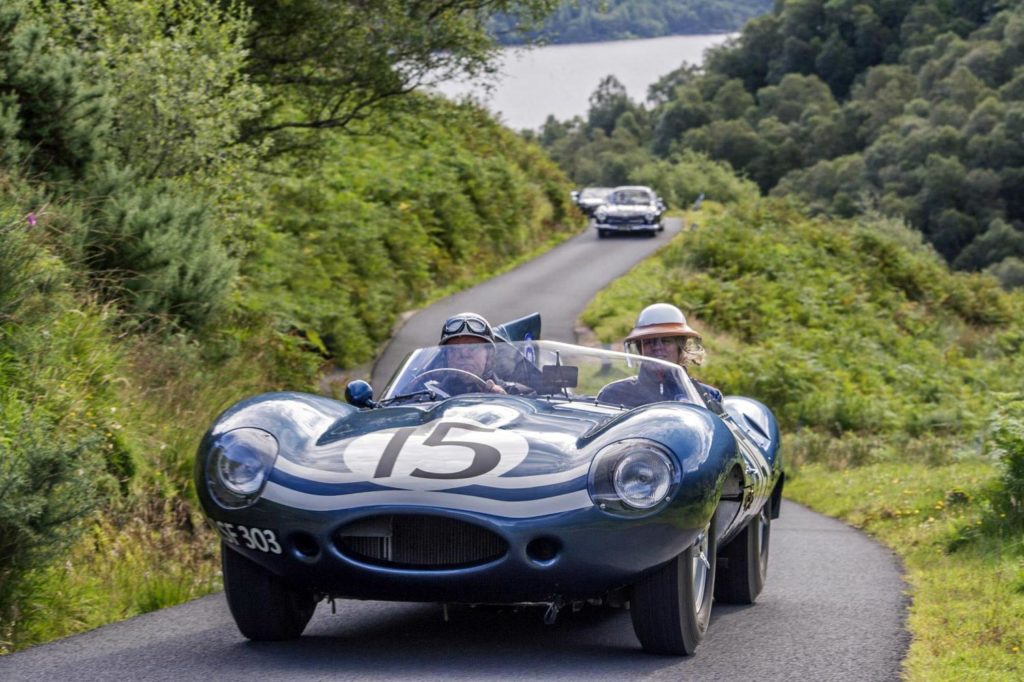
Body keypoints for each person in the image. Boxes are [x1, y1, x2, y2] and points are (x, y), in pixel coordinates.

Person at [597, 303, 724, 410]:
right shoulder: (614, 394)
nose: (657, 347)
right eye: (648, 342)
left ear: (681, 346)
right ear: (640, 349)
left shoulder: (707, 397)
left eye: (666, 341)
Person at [424, 312, 528, 395]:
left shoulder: (519, 394)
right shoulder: (429, 396)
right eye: (454, 349)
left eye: (473, 347)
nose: (464, 354)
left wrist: (507, 402)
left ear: (489, 356)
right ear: (446, 357)